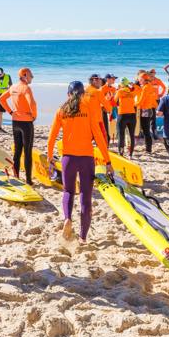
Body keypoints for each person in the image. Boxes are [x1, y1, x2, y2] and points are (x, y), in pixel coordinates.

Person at [47, 81, 111, 241]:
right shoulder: (88, 109)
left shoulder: (61, 110)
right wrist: (107, 161)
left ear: (68, 94)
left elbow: (51, 137)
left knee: (68, 191)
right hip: (86, 158)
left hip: (68, 158)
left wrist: (49, 158)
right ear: (83, 94)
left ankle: (67, 218)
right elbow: (98, 137)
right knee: (85, 196)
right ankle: (83, 237)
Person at [0, 68, 38, 184]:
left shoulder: (13, 87)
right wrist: (34, 116)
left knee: (17, 150)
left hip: (15, 122)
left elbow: (1, 99)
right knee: (27, 151)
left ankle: (16, 176)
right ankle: (29, 180)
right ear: (25, 76)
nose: (32, 77)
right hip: (26, 122)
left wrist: (10, 112)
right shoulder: (26, 88)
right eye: (31, 75)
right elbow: (32, 103)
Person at [113, 78, 138, 157]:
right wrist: (133, 85)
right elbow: (139, 91)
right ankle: (130, 154)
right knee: (131, 135)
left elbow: (114, 101)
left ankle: (121, 154)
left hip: (122, 115)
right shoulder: (132, 91)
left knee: (121, 135)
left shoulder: (120, 91)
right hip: (132, 115)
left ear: (121, 84)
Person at [135, 74, 158, 153]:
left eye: (140, 79)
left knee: (146, 131)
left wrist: (133, 104)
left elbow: (141, 101)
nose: (139, 80)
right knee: (146, 130)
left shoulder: (145, 88)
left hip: (145, 110)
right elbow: (154, 99)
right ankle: (148, 148)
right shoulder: (150, 86)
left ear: (144, 80)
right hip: (149, 109)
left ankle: (148, 149)